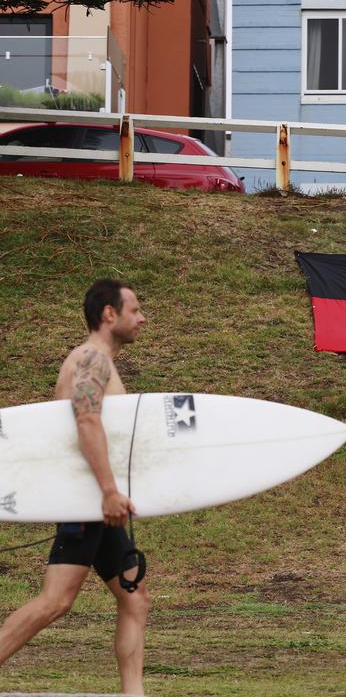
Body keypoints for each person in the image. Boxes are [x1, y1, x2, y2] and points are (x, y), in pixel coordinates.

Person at [0, 279, 150, 695]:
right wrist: (107, 491)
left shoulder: (100, 361)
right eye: (134, 310)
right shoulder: (91, 360)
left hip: (98, 503)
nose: (142, 318)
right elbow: (86, 421)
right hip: (87, 499)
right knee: (55, 602)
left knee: (135, 599)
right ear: (109, 314)